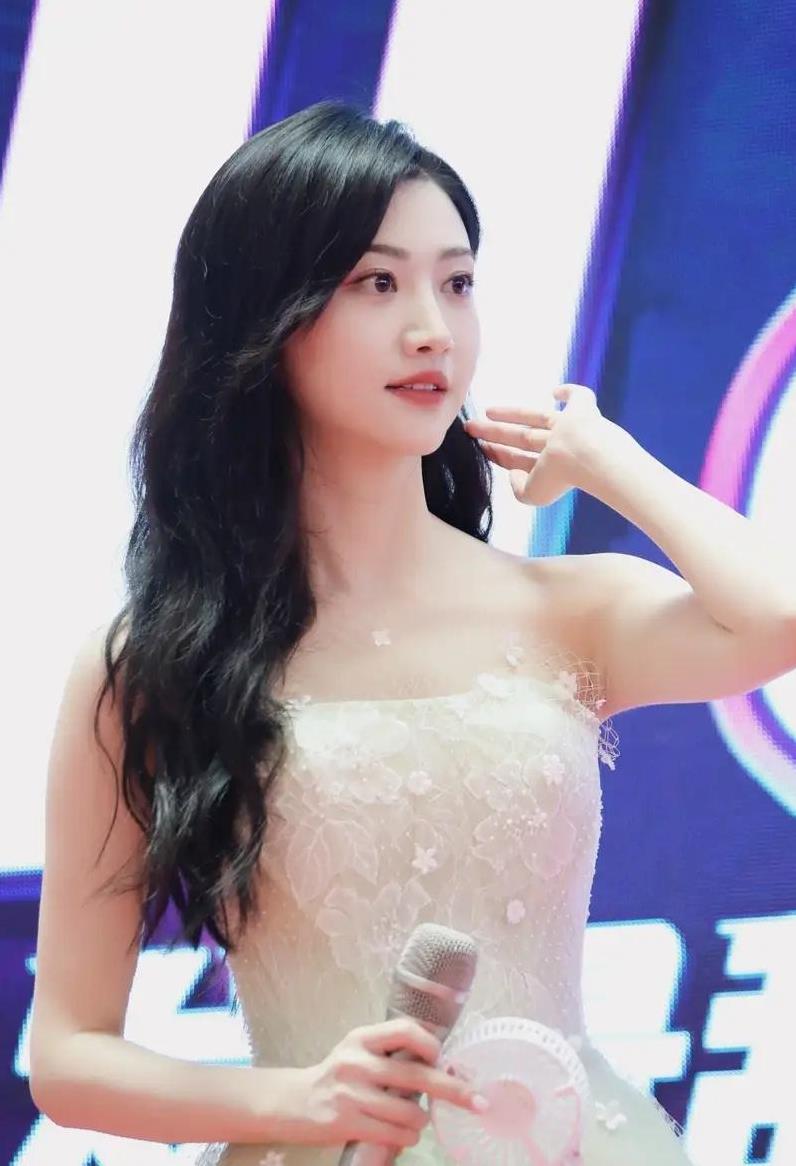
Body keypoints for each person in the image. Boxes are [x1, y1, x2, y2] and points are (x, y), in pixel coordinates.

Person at [27, 100, 796, 1166]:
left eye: (458, 282)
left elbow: (777, 619)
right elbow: (66, 1056)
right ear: (266, 317)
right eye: (377, 284)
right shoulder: (154, 666)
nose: (433, 326)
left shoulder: (560, 608)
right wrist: (299, 1099)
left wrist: (609, 458)